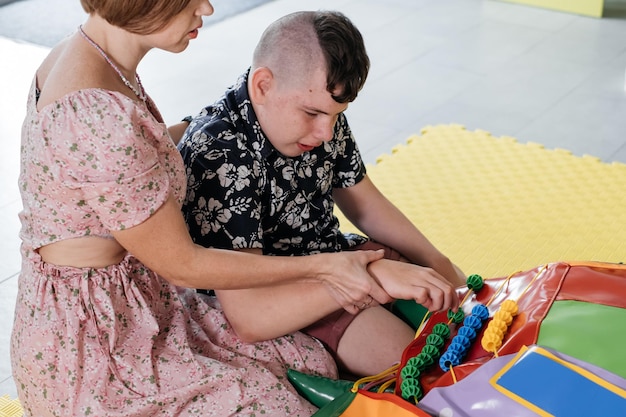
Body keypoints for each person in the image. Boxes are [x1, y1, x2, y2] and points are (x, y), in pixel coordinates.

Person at [9, 1, 451, 416]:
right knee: (276, 401)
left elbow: (127, 164)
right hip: (95, 343)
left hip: (134, 300)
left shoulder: (89, 57)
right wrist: (338, 270)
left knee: (312, 363)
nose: (207, 8)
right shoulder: (96, 113)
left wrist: (426, 259)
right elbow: (184, 265)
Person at [178, 10, 465, 378]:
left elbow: (365, 204)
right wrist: (370, 277)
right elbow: (250, 315)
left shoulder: (317, 109)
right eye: (313, 113)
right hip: (277, 295)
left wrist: (433, 259)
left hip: (331, 254)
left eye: (335, 115)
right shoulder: (218, 152)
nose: (326, 133)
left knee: (455, 303)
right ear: (263, 85)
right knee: (413, 364)